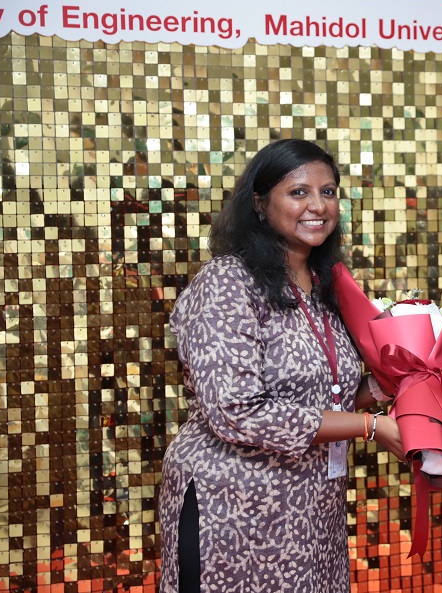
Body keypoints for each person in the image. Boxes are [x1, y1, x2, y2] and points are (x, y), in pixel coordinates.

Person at [157, 139, 403, 592]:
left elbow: (328, 396)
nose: (318, 206)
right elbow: (236, 411)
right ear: (259, 203)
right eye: (298, 192)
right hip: (232, 510)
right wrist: (371, 427)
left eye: (328, 192)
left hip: (312, 512)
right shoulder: (228, 282)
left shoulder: (328, 287)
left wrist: (396, 382)